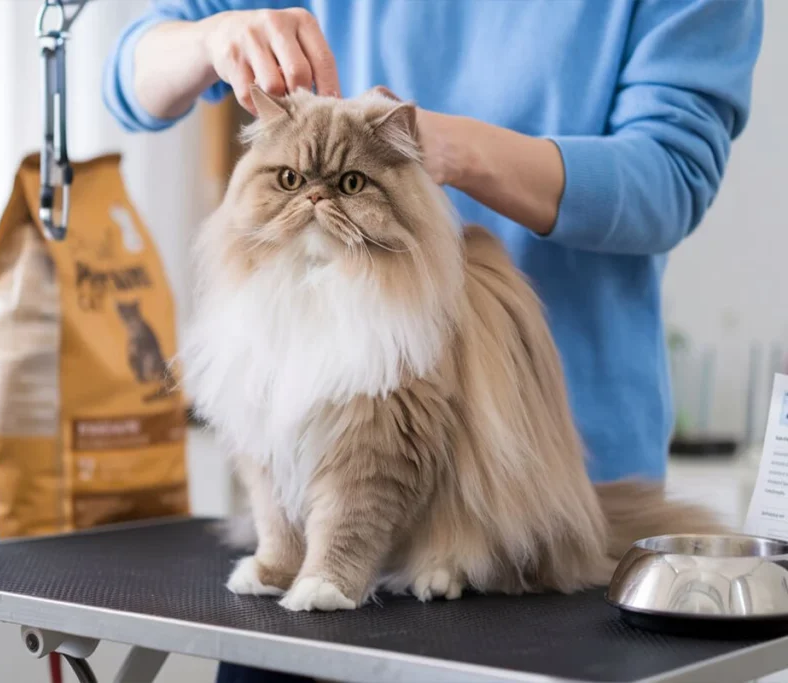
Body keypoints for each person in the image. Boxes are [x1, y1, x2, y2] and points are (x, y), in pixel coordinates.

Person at [103, 1, 763, 681]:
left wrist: (454, 151)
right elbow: (129, 76)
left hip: (532, 511)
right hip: (308, 570)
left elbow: (671, 177)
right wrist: (210, 38)